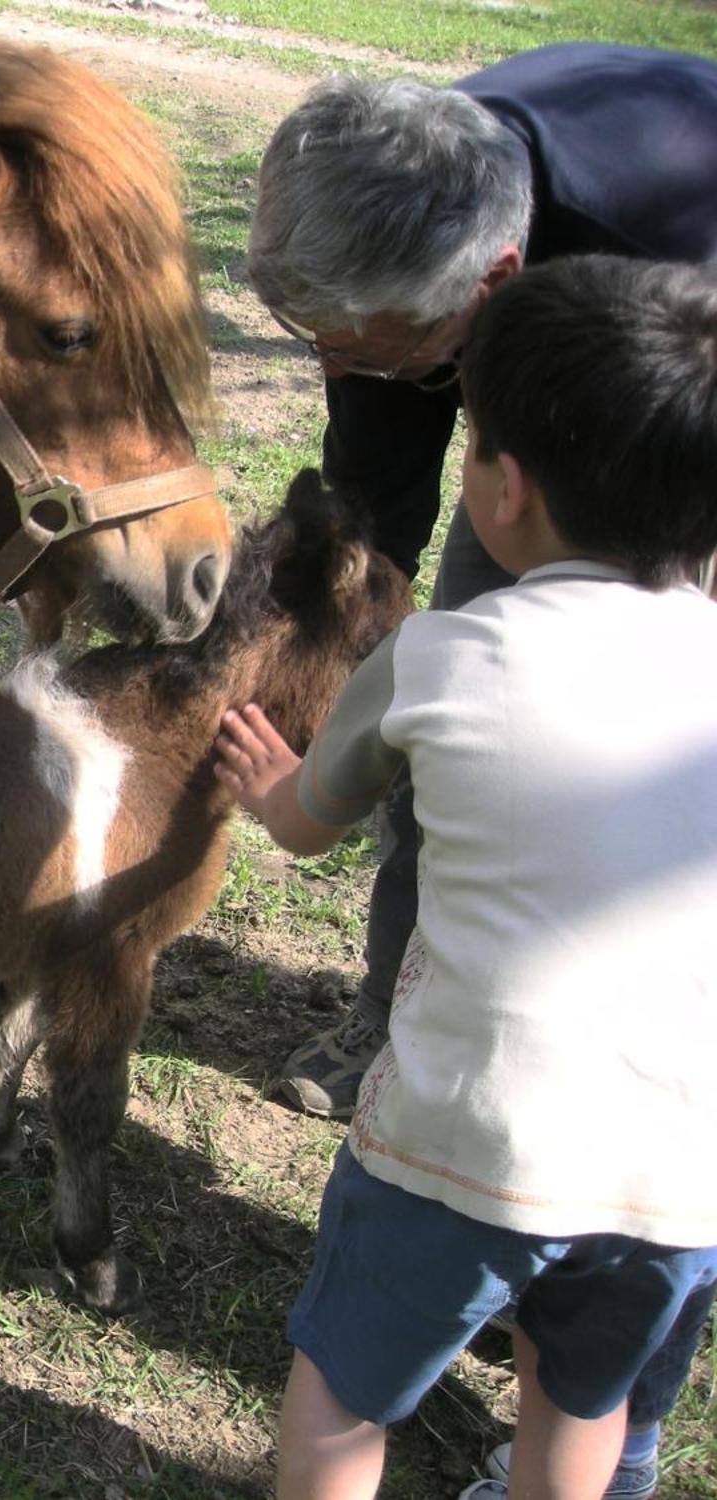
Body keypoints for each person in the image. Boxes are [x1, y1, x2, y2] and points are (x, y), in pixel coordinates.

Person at [213, 254, 717, 1500]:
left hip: (460, 1140)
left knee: (340, 1399)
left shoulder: (441, 654)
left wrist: (267, 780)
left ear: (502, 487)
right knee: (580, 1400)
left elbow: (308, 825)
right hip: (679, 1170)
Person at [248, 43, 717, 1120]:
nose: (331, 368)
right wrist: (358, 667)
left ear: (493, 285)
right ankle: (393, 1010)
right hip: (529, 397)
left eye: (364, 351)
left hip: (682, 440)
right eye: (314, 344)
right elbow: (378, 510)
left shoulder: (666, 249)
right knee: (459, 713)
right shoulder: (403, 205)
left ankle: (639, 1045)